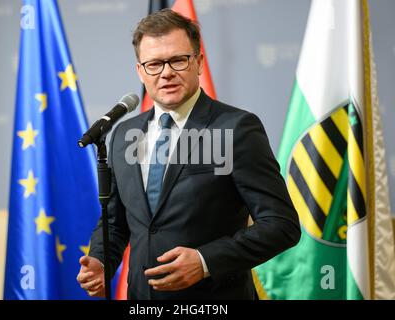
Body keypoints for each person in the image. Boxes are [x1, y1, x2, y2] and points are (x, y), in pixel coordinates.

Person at [76, 9, 300, 300]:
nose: (166, 72)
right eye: (154, 63)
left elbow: (281, 224)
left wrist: (205, 261)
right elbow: (116, 222)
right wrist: (101, 260)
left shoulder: (235, 128)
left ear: (198, 63)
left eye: (178, 60)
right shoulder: (123, 134)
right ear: (140, 72)